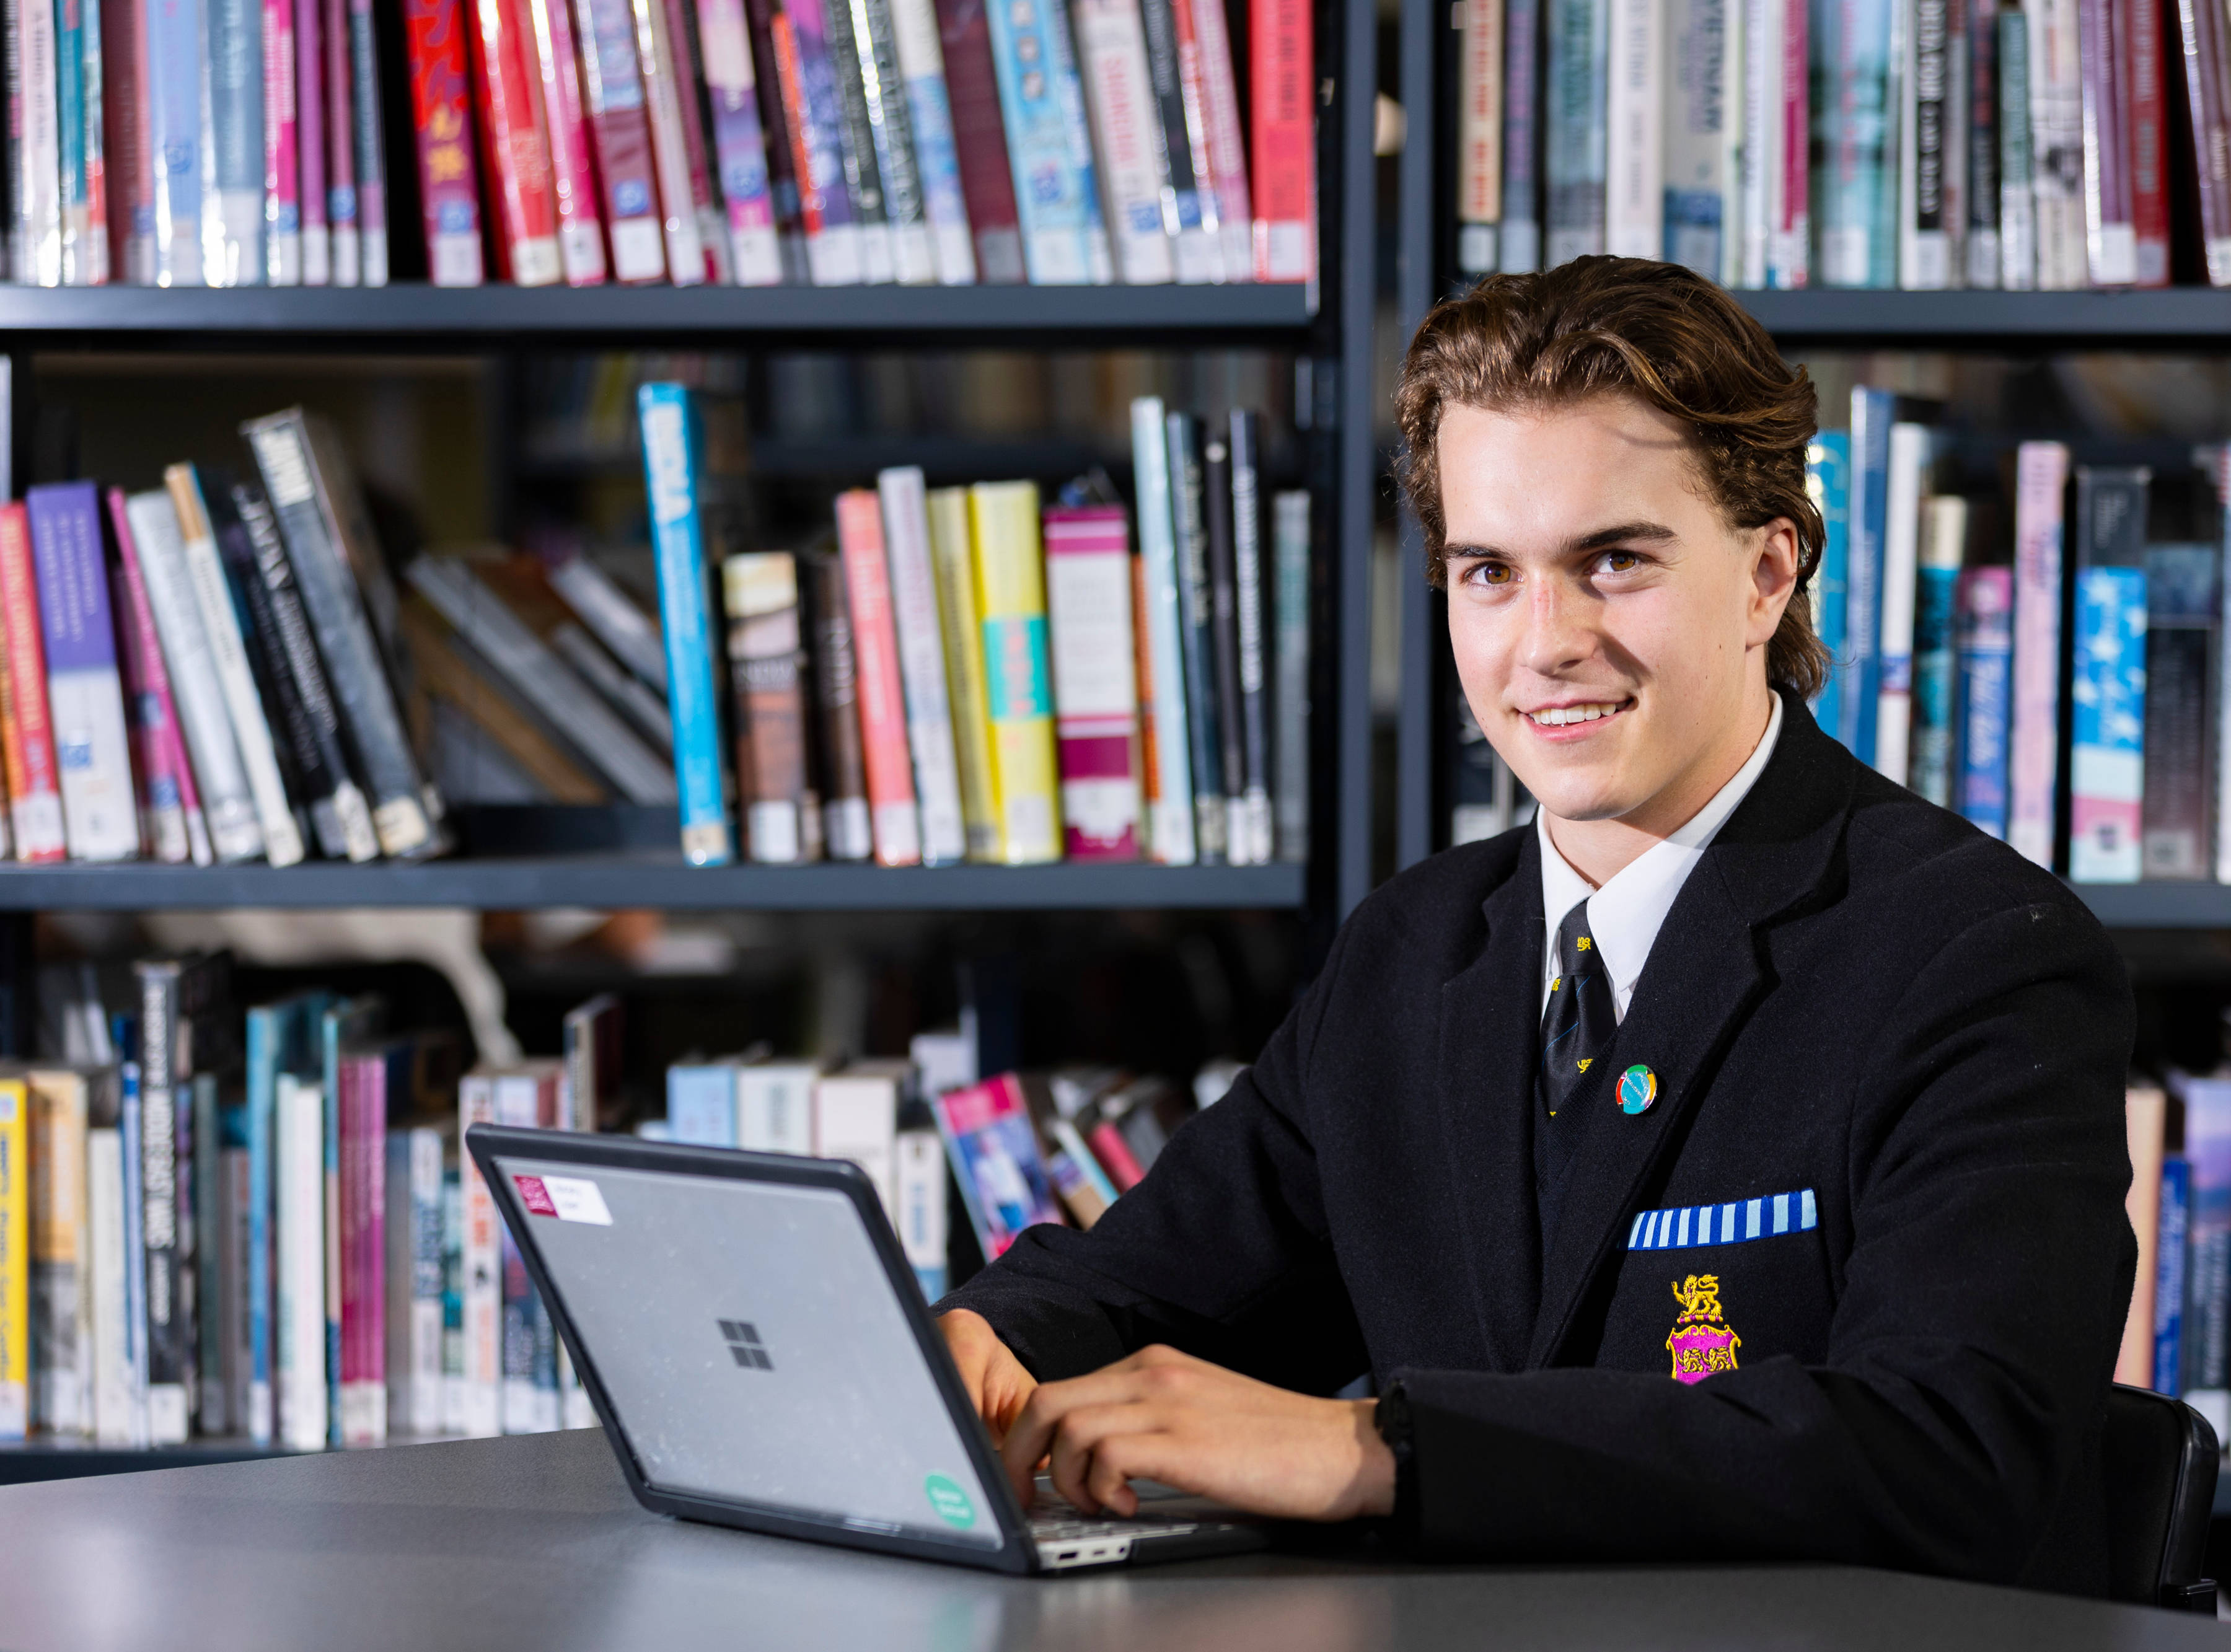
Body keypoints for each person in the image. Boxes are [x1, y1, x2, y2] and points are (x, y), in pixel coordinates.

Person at [935, 257, 2136, 1593]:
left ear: (1767, 574)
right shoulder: (1416, 947)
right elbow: (1154, 1286)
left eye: (1611, 561)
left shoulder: (1982, 954)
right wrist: (986, 1344)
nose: (1543, 642)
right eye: (1488, 573)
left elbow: (1951, 1452)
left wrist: (1376, 1449)